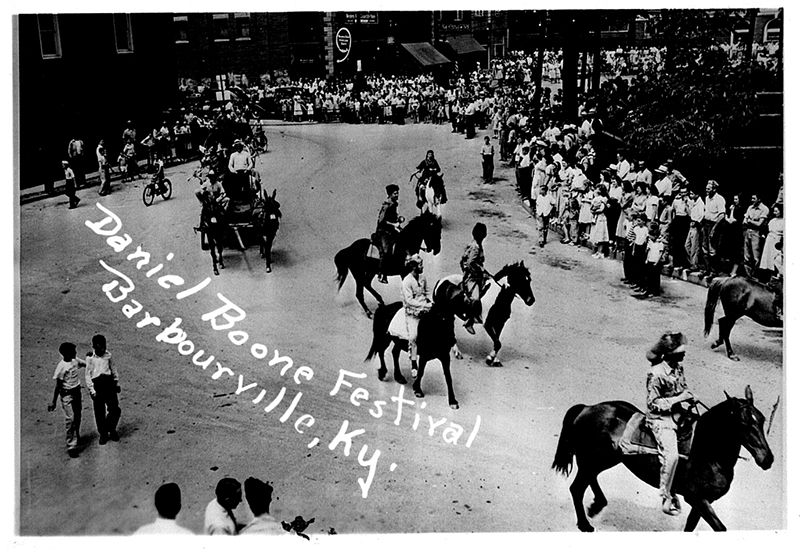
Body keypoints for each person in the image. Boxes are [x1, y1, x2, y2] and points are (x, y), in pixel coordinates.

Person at [645, 332, 695, 516]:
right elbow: (653, 404)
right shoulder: (656, 373)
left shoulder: (678, 368)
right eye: (681, 352)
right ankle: (667, 496)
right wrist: (679, 398)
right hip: (660, 419)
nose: (684, 354)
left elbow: (681, 387)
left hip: (678, 414)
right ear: (671, 353)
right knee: (672, 456)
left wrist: (689, 397)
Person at [47, 342, 87, 457]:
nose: (76, 353)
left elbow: (84, 364)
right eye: (73, 351)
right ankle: (71, 445)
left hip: (77, 392)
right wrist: (54, 401)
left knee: (78, 415)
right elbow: (58, 386)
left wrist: (89, 359)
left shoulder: (75, 360)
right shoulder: (61, 367)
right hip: (67, 395)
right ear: (67, 353)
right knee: (71, 418)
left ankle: (76, 435)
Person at [85, 334, 121, 445]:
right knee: (99, 412)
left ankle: (111, 428)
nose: (102, 349)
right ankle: (103, 434)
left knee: (115, 409)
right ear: (94, 346)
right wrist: (92, 390)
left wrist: (116, 382)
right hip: (98, 386)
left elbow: (113, 369)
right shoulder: (90, 358)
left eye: (104, 347)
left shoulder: (108, 356)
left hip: (109, 384)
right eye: (99, 347)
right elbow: (88, 375)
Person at [401, 254, 432, 374]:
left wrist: (430, 302)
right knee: (413, 336)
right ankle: (414, 362)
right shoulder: (407, 281)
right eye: (420, 265)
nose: (422, 267)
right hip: (413, 313)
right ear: (413, 266)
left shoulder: (423, 277)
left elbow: (427, 292)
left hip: (426, 308)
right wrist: (424, 305)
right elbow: (409, 301)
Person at [460, 222, 490, 335]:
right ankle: (469, 321)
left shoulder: (476, 244)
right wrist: (479, 271)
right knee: (476, 298)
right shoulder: (475, 248)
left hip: (477, 273)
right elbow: (470, 263)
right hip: (471, 276)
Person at [376, 184, 402, 284]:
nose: (397, 195)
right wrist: (394, 224)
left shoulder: (394, 204)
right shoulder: (386, 205)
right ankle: (381, 274)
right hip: (383, 232)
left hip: (391, 230)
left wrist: (398, 222)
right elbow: (381, 221)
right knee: (386, 251)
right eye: (395, 193)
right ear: (390, 194)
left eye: (397, 193)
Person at [701, 180, 726, 276]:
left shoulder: (720, 199)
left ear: (714, 189)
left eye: (709, 189)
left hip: (714, 224)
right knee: (705, 248)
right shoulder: (707, 198)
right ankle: (707, 269)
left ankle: (713, 271)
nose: (706, 190)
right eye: (706, 188)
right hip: (706, 224)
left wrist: (714, 229)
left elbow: (722, 215)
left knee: (713, 249)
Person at [742, 193, 769, 277]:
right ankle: (748, 275)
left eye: (754, 198)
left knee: (756, 256)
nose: (752, 200)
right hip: (748, 231)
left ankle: (754, 276)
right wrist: (749, 221)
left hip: (757, 233)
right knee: (747, 255)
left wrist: (749, 221)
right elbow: (744, 221)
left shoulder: (764, 209)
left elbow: (759, 224)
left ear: (759, 199)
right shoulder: (750, 207)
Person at [535, 183, 556, 249]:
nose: (540, 191)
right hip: (539, 214)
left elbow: (554, 204)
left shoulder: (549, 197)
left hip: (546, 214)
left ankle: (544, 239)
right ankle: (540, 240)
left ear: (545, 190)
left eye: (541, 190)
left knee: (545, 227)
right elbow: (537, 204)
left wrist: (551, 211)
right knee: (540, 227)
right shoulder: (539, 197)